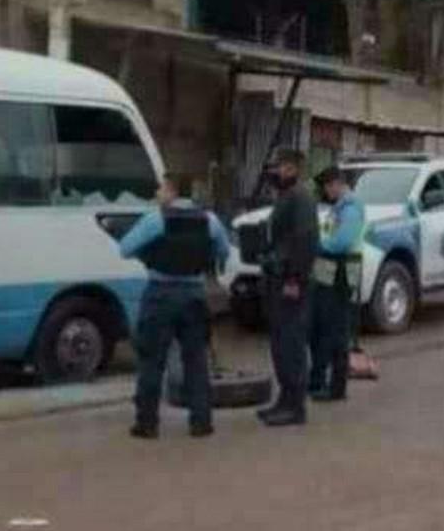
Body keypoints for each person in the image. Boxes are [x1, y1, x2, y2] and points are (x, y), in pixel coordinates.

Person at [118, 176, 231, 439]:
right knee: (196, 360)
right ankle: (201, 422)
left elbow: (125, 248)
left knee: (152, 361)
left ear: (171, 191)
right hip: (194, 295)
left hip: (160, 295)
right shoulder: (210, 220)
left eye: (160, 188)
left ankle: (147, 423)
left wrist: (150, 254)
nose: (157, 193)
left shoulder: (155, 220)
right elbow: (223, 252)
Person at [258, 148, 319, 427]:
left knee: (291, 342)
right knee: (279, 343)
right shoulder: (286, 196)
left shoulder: (302, 197)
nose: (275, 172)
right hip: (278, 278)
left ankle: (295, 406)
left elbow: (304, 242)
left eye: (280, 167)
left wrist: (295, 279)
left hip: (291, 282)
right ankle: (284, 398)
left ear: (293, 168)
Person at [309, 166, 366, 402]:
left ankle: (337, 387)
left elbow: (341, 242)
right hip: (330, 268)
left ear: (337, 184)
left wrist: (318, 245)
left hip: (342, 269)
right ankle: (320, 380)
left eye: (327, 187)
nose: (326, 192)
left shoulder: (351, 208)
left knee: (337, 328)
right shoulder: (339, 207)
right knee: (323, 324)